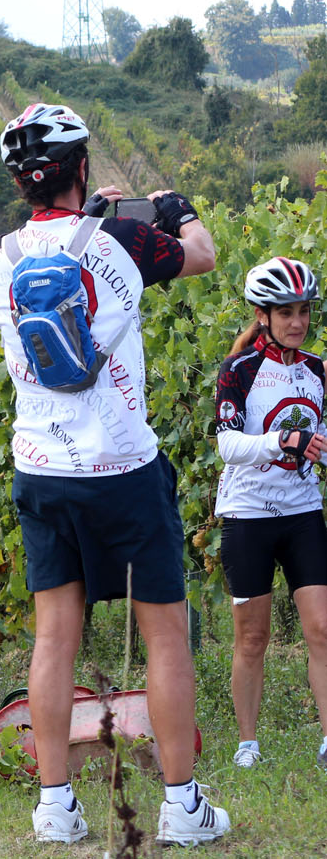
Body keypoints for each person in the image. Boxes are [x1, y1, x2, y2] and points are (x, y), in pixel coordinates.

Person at [0, 103, 228, 846]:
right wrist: (174, 206)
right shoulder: (121, 237)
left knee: (53, 635)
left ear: (22, 182)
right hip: (121, 465)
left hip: (41, 468)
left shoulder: (0, 256)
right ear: (80, 168)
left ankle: (55, 806)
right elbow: (203, 252)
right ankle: (182, 807)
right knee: (165, 634)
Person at [212, 257, 327, 771]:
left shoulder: (318, 369)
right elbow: (228, 445)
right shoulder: (238, 371)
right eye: (286, 312)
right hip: (248, 515)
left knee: (322, 628)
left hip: (304, 512)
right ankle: (248, 743)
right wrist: (284, 439)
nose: (297, 322)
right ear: (263, 314)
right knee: (252, 636)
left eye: (304, 311)